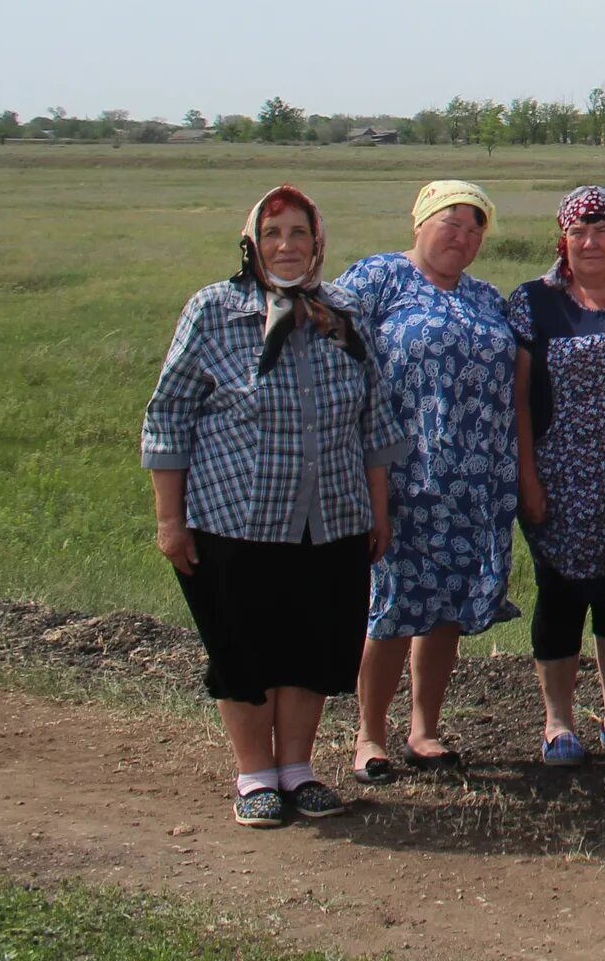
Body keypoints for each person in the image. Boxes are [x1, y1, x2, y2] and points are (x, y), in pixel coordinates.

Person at [143, 186, 408, 827]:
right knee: (244, 650)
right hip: (234, 519)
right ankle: (253, 774)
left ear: (318, 241)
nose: (286, 246)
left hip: (334, 519)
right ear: (251, 244)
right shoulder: (214, 311)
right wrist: (169, 520)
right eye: (272, 234)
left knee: (312, 647)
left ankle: (297, 769)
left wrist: (378, 511)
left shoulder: (341, 313)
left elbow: (375, 422)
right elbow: (169, 416)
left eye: (298, 233)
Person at [333, 180, 518, 781]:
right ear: (419, 223)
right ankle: (368, 736)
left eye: (474, 228)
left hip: (476, 481)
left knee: (447, 610)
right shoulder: (379, 280)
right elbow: (332, 351)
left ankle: (424, 729)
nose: (462, 237)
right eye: (451, 222)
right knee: (390, 610)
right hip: (403, 478)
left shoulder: (487, 297)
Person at [509, 186, 605, 766]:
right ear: (563, 239)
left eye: (603, 229)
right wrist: (528, 478)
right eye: (579, 231)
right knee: (560, 598)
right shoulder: (535, 301)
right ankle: (557, 722)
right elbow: (520, 400)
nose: (590, 241)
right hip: (560, 476)